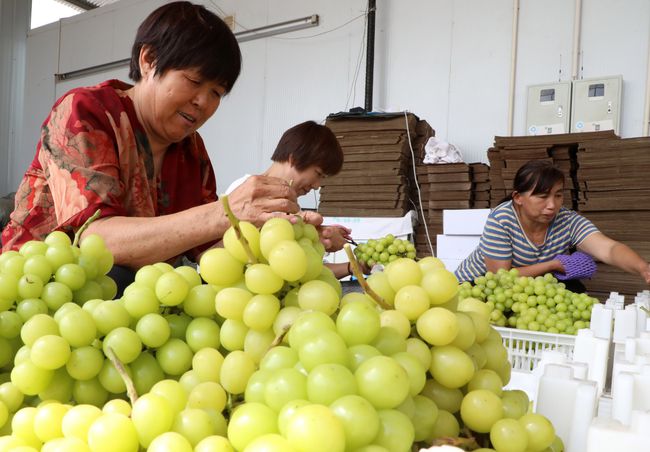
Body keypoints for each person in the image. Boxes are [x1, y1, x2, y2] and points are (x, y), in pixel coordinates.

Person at [1, 2, 322, 290]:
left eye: (217, 93)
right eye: (195, 82)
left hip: (128, 311)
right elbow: (97, 241)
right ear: (149, 60)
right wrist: (226, 212)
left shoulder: (192, 152)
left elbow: (211, 250)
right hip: (34, 296)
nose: (202, 102)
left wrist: (280, 237)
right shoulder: (86, 113)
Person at [455, 160, 650, 289]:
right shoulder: (502, 219)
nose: (552, 205)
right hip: (477, 285)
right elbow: (500, 277)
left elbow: (609, 249)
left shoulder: (566, 220)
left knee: (574, 288)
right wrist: (554, 265)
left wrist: (643, 268)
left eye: (558, 195)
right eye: (542, 197)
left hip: (526, 286)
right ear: (518, 198)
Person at [225, 120, 362, 279]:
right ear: (295, 159)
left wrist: (353, 266)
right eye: (318, 174)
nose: (317, 186)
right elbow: (234, 258)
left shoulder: (289, 206)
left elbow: (300, 271)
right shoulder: (243, 191)